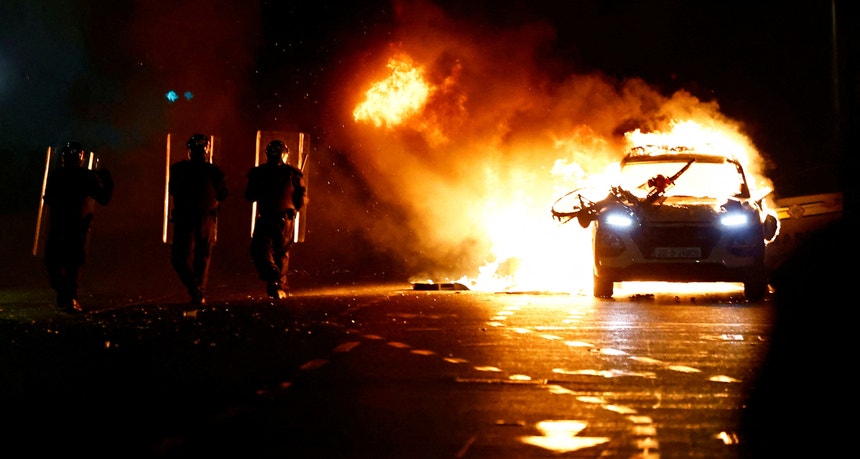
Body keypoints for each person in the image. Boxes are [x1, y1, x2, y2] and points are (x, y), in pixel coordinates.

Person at [43, 141, 114, 313]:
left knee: (56, 263)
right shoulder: (85, 176)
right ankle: (68, 296)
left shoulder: (57, 175)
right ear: (80, 157)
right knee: (71, 264)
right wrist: (106, 180)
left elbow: (48, 199)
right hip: (75, 226)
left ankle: (67, 296)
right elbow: (103, 198)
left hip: (62, 225)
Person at [168, 133, 228, 305]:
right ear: (206, 149)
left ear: (189, 150)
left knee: (180, 257)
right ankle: (198, 291)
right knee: (202, 256)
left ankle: (195, 289)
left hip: (185, 218)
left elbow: (173, 190)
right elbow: (223, 194)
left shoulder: (178, 169)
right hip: (205, 219)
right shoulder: (214, 171)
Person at [245, 139, 308, 298]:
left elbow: (249, 195)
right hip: (286, 219)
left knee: (261, 249)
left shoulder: (260, 172)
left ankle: (274, 279)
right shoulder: (293, 173)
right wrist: (294, 208)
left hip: (268, 217)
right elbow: (302, 197)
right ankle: (279, 285)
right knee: (282, 253)